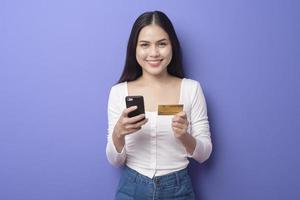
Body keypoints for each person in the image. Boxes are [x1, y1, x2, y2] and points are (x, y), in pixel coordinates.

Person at [106, 10, 212, 200]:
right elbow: (115, 161)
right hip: (131, 188)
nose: (154, 53)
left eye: (162, 44)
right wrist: (118, 133)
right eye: (145, 45)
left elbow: (204, 154)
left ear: (172, 46)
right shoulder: (119, 92)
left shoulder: (191, 89)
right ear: (134, 49)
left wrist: (184, 135)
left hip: (178, 189)